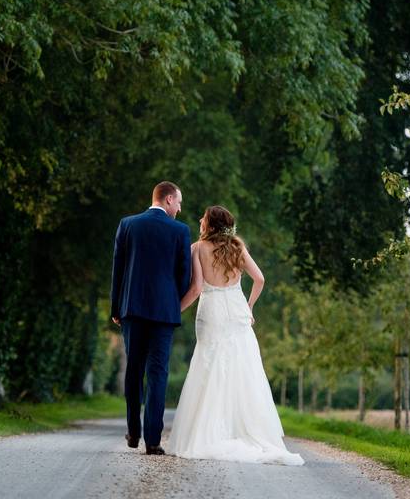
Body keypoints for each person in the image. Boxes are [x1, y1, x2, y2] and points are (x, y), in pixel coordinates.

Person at [166, 205, 304, 465]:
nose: (199, 220)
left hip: (211, 312)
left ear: (210, 224)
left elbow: (196, 289)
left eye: (203, 218)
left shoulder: (197, 248)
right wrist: (249, 306)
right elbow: (260, 279)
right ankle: (246, 431)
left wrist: (173, 310)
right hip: (237, 311)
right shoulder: (238, 247)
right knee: (244, 369)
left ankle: (207, 433)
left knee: (209, 366)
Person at [110, 181, 192, 455]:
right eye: (178, 202)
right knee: (158, 373)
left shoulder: (128, 224)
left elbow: (118, 270)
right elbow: (184, 276)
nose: (180, 208)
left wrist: (115, 308)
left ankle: (133, 432)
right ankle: (153, 440)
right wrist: (171, 302)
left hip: (131, 309)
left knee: (133, 370)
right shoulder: (180, 231)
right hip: (163, 314)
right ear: (168, 199)